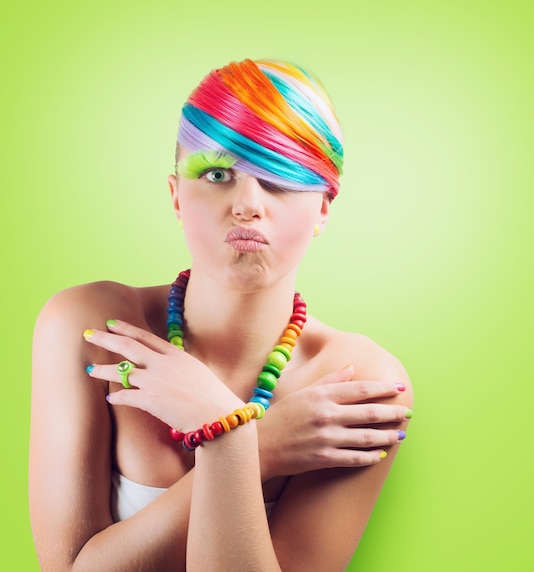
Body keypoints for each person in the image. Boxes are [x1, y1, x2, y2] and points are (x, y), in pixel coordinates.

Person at [29, 58, 413, 571]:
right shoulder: (92, 327)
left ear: (323, 208)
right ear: (176, 197)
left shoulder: (358, 384)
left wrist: (224, 435)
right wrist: (256, 442)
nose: (248, 204)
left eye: (279, 176)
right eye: (217, 173)